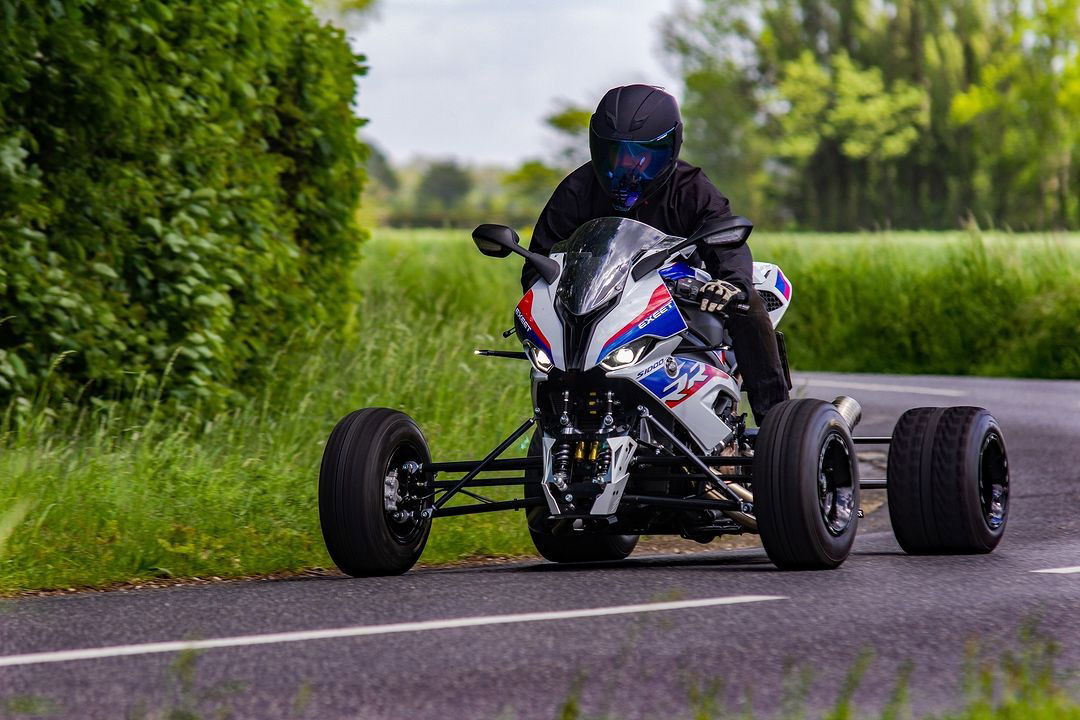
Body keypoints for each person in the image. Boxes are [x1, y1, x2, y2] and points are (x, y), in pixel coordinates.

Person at [521, 84, 789, 424]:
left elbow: (727, 242)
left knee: (747, 303)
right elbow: (539, 262)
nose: (626, 167)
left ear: (669, 148)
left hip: (680, 298)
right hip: (601, 306)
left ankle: (775, 419)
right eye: (614, 154)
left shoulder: (691, 188)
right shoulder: (576, 190)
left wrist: (730, 283)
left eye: (641, 155)